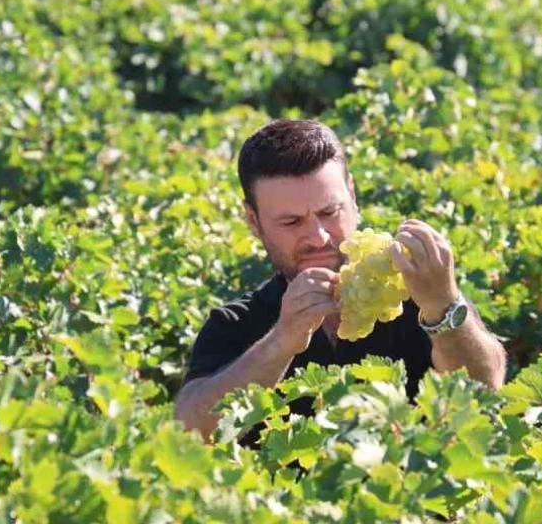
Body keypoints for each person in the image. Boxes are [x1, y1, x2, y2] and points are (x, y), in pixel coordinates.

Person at [174, 118, 507, 441]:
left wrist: (444, 306)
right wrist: (281, 342)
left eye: (329, 212)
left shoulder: (414, 293)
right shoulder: (237, 322)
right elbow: (187, 432)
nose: (317, 237)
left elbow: (486, 390)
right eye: (291, 222)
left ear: (353, 196)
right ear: (254, 221)